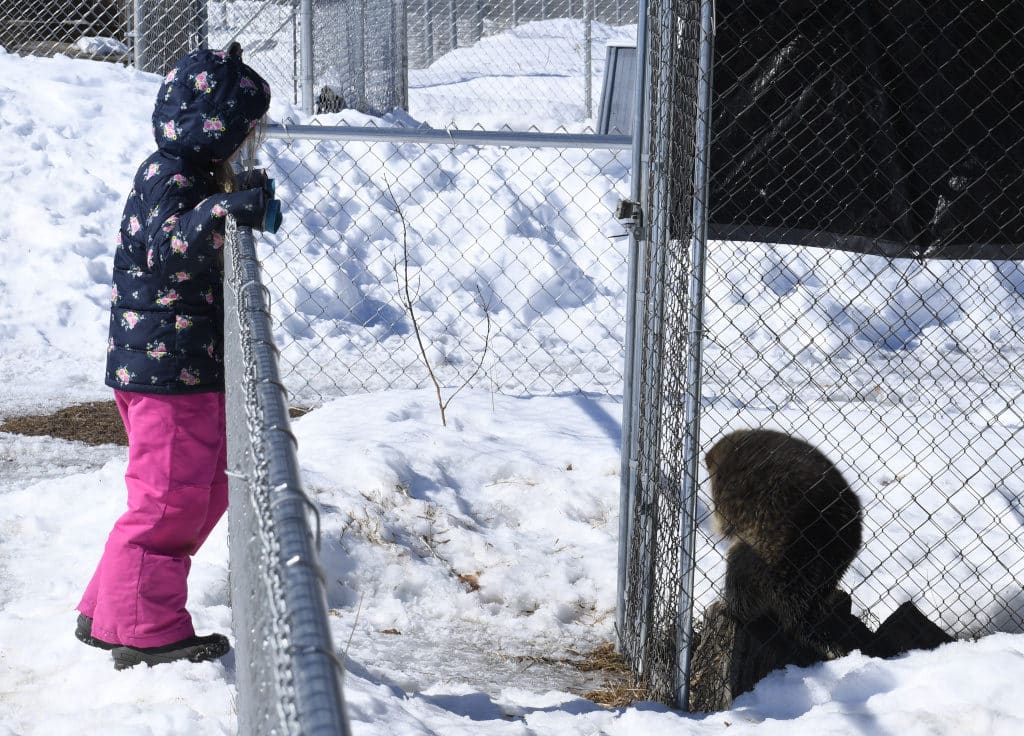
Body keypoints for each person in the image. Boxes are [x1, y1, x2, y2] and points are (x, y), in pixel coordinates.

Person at [75, 44, 281, 669]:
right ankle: (147, 630)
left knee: (198, 494)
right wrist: (227, 209)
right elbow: (168, 250)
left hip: (179, 367)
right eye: (249, 130)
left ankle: (110, 608)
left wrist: (225, 204)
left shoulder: (183, 175)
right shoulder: (170, 178)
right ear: (219, 128)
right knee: (169, 504)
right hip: (169, 374)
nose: (252, 142)